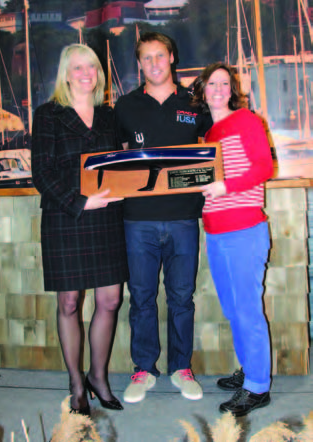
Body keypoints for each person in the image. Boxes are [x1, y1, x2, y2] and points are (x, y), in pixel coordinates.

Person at [114, 32, 212, 403]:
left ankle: (181, 367)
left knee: (182, 297)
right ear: (139, 64)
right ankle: (143, 369)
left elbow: (212, 153)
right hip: (137, 219)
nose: (154, 63)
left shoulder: (194, 103)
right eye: (146, 58)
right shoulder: (124, 107)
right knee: (140, 297)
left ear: (171, 57)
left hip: (185, 217)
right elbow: (119, 158)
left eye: (160, 55)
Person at [31, 44, 129, 415]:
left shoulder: (109, 115)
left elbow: (121, 163)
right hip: (66, 217)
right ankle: (76, 383)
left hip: (106, 220)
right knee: (69, 303)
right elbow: (42, 173)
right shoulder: (48, 115)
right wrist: (81, 201)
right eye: (77, 67)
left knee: (110, 301)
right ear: (65, 73)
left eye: (91, 66)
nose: (86, 72)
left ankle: (98, 376)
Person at [192, 62, 273, 417]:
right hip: (216, 232)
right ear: (203, 89)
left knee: (246, 310)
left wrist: (226, 186)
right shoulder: (208, 135)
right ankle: (249, 368)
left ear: (233, 89)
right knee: (234, 310)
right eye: (213, 83)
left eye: (226, 83)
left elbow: (264, 167)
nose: (219, 88)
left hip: (244, 230)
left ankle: (257, 387)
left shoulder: (247, 120)